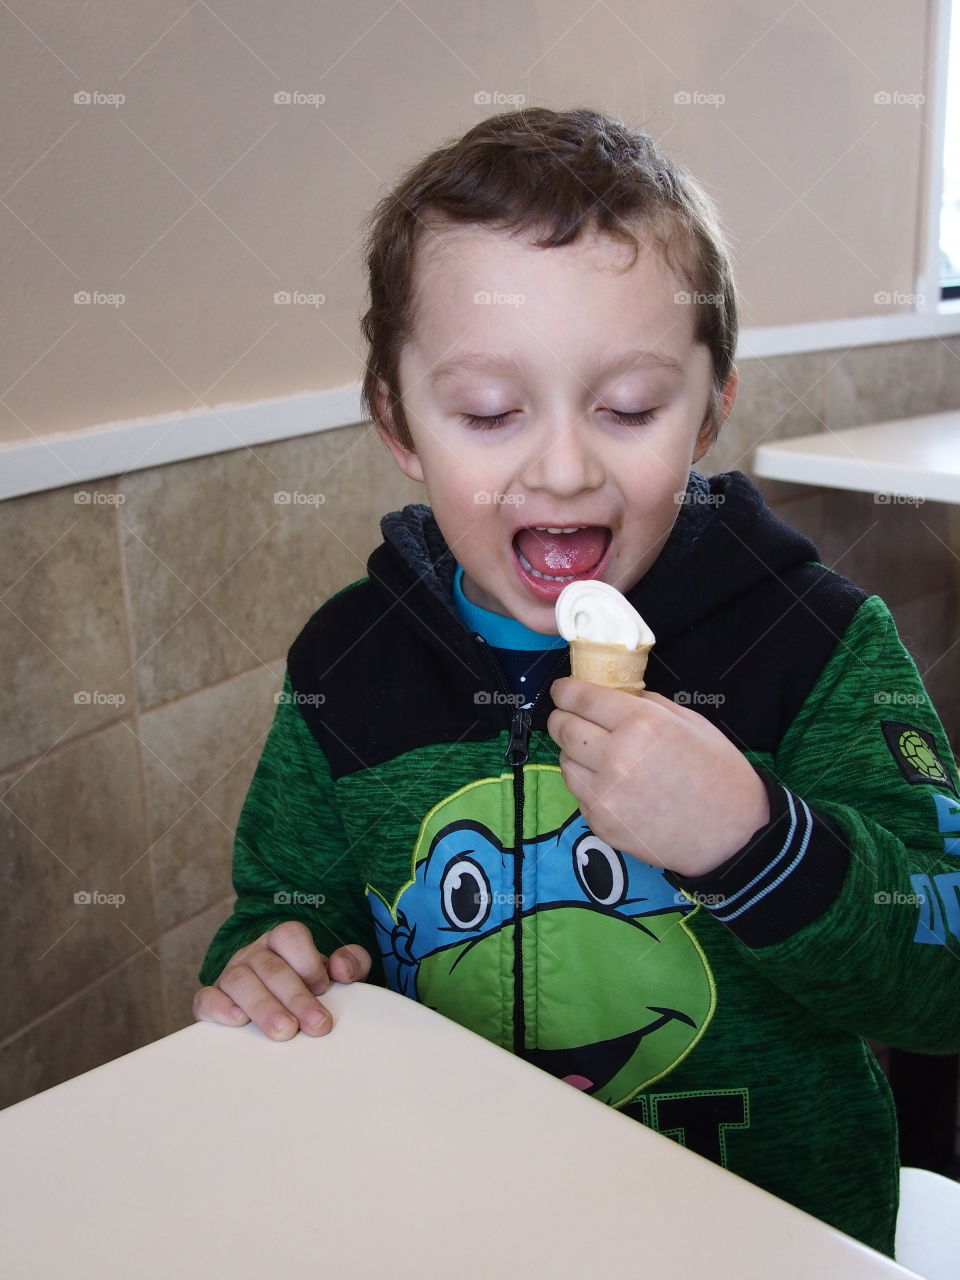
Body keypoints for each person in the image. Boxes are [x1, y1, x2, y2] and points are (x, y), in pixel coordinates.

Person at [194, 106, 960, 1256]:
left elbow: (941, 973)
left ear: (712, 408)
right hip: (461, 1222)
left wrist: (757, 842)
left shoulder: (818, 643)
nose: (561, 465)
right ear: (400, 424)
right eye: (491, 412)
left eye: (630, 407)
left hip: (767, 1239)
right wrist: (274, 965)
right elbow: (287, 908)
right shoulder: (345, 667)